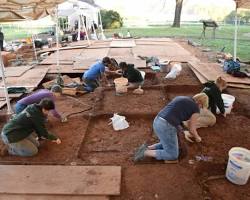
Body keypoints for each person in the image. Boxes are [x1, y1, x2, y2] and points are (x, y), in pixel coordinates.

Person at [134, 93, 208, 162]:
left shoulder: (182, 98)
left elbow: (175, 114)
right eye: (202, 106)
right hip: (166, 126)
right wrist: (198, 138)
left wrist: (183, 129)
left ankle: (148, 148)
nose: (200, 108)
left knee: (170, 142)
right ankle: (145, 152)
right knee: (172, 155)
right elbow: (192, 129)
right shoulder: (196, 108)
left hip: (157, 121)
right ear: (200, 103)